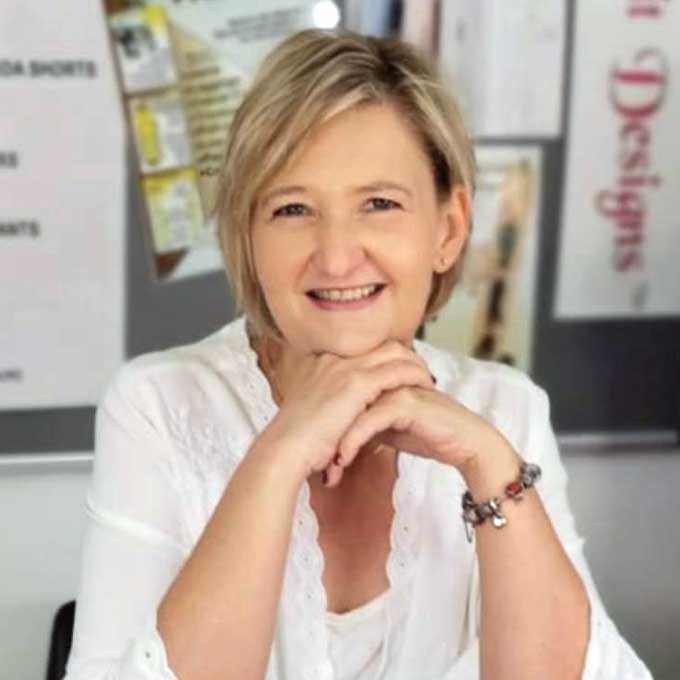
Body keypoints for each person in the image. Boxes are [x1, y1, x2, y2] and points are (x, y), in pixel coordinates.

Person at [64, 29, 653, 680]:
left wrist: (487, 464)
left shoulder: (503, 410)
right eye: (292, 208)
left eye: (379, 204)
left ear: (448, 228)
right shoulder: (158, 406)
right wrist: (281, 452)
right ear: (247, 237)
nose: (338, 255)